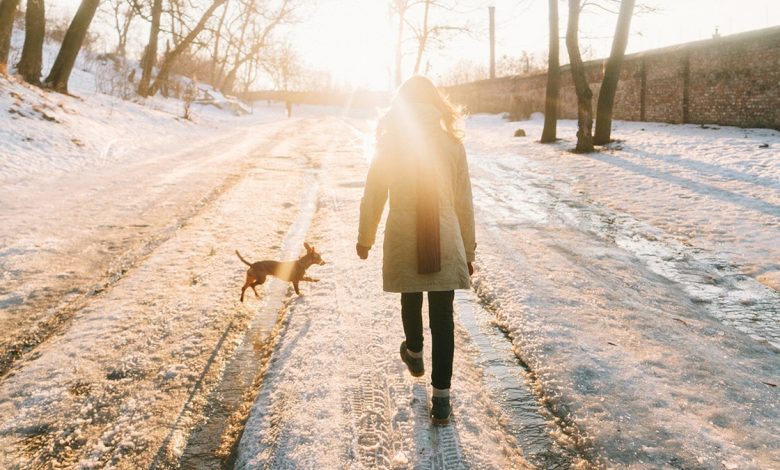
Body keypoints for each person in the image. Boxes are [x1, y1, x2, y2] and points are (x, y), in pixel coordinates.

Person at [356, 76, 476, 426]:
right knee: (443, 318)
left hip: (405, 237)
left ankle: (415, 351)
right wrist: (468, 250)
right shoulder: (452, 143)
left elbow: (374, 193)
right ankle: (441, 400)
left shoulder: (391, 144)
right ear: (435, 103)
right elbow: (464, 202)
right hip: (445, 238)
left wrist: (365, 238)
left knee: (410, 296)